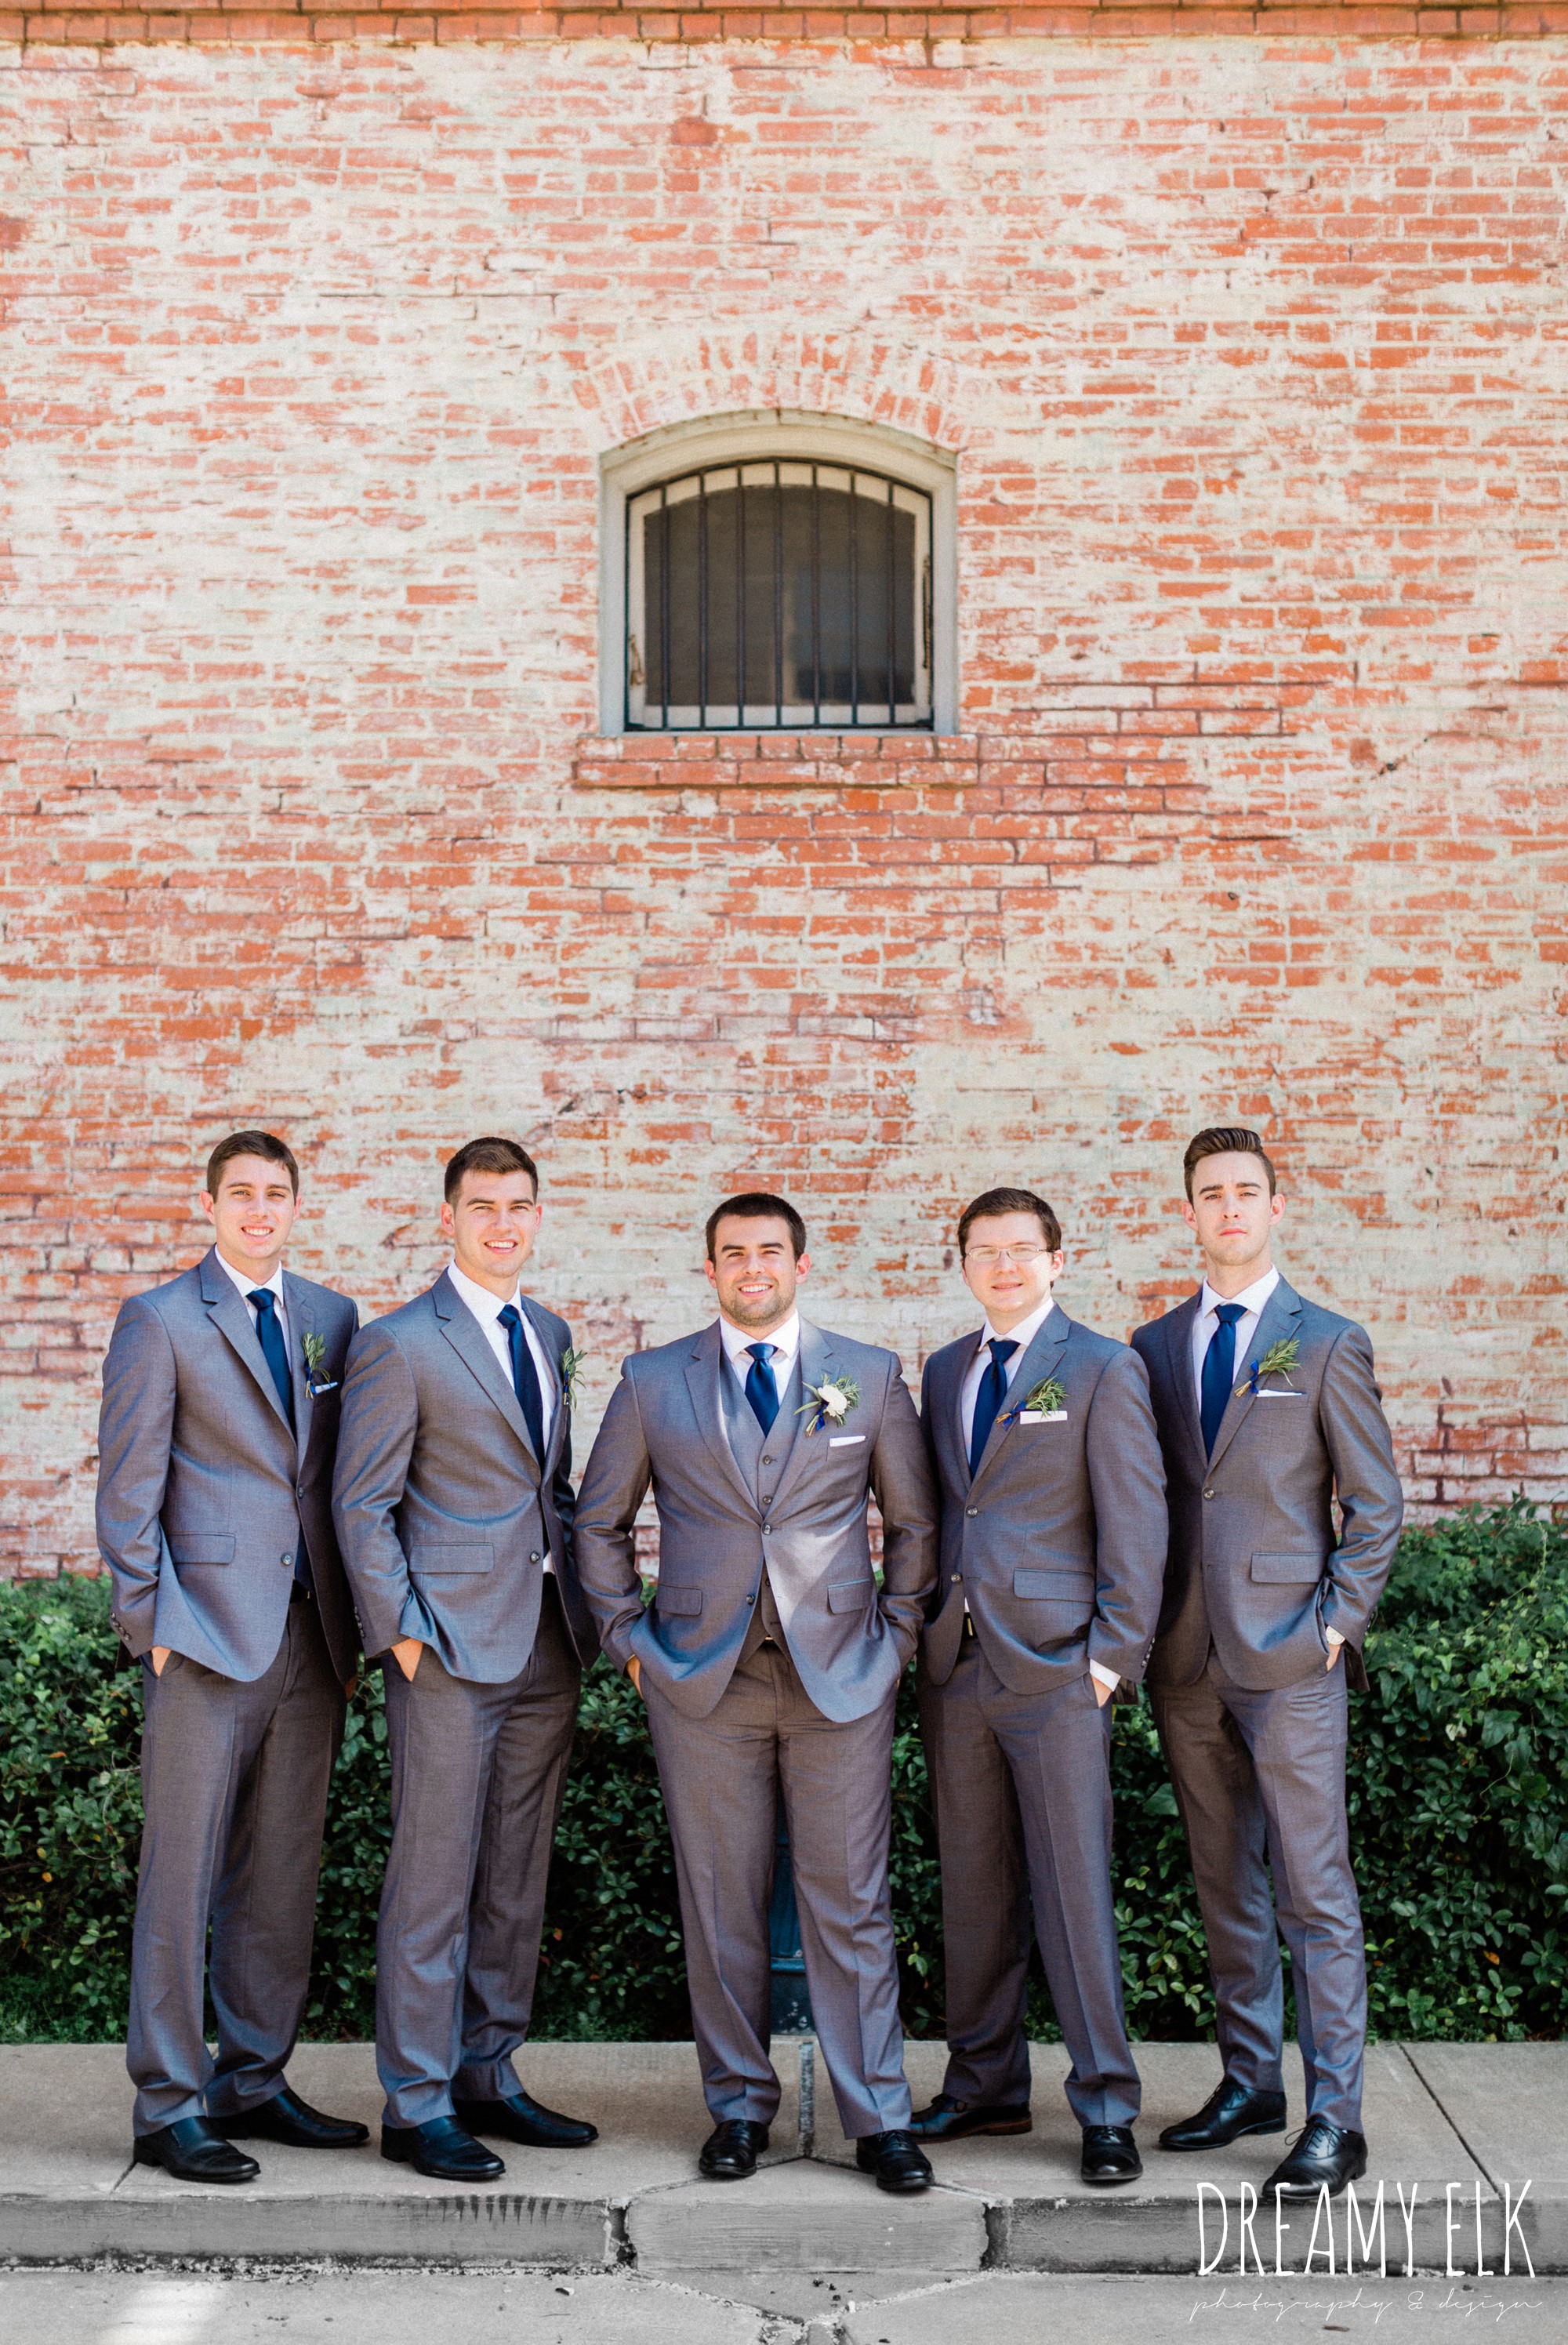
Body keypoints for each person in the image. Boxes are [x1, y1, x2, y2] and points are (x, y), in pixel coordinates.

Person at [573, 1193, 938, 2194]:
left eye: (769, 1252)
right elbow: (596, 1523)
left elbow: (913, 1524)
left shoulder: (863, 1376)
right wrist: (628, 1641)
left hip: (840, 1679)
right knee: (720, 1903)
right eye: (732, 1254)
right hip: (701, 1683)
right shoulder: (653, 1382)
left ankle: (878, 2118)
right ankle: (737, 2106)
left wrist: (896, 1638)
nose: (751, 1269)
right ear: (710, 1270)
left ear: (800, 1264)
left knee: (850, 1900)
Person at [1132, 1127, 1403, 2198]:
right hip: (1187, 1654)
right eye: (1211, 1193)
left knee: (1313, 1886)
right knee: (1222, 1879)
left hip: (1292, 1656)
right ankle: (1252, 2079)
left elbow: (1375, 1504)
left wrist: (1335, 1625)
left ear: (1277, 1206)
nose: (1230, 1206)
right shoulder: (1152, 1346)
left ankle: (1337, 2114)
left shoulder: (1327, 1341)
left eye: (1248, 1190)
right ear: (1190, 1211)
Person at [96, 1131, 365, 2183]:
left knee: (282, 1868)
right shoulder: (160, 1319)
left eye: (276, 1192)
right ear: (206, 1202)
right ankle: (168, 2101)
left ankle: (253, 2075)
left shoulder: (334, 1319)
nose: (260, 1207)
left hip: (312, 1635)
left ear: (297, 1204)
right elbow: (128, 1485)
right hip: (203, 1630)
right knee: (185, 1869)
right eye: (241, 1191)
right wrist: (149, 1618)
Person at [332, 1137, 598, 2183]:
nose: (502, 1221)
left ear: (538, 1215)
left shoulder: (551, 1330)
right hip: (443, 1646)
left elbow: (555, 1488)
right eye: (482, 1204)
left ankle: (487, 2068)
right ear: (448, 1217)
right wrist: (401, 1633)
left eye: (519, 1203)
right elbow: (360, 1502)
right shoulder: (401, 1342)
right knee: (434, 1874)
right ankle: (416, 2098)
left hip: (543, 1638)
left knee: (514, 1873)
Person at [910, 1186, 1167, 2185]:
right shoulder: (941, 1372)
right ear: (963, 1263)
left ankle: (1104, 2105)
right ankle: (983, 2088)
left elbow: (1136, 1524)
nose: (1003, 1266)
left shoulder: (1103, 1368)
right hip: (958, 1666)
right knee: (972, 1891)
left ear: (1057, 1260)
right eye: (984, 1251)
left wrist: (1108, 1660)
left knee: (1071, 1890)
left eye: (1022, 1251)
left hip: (1060, 1668)